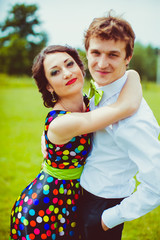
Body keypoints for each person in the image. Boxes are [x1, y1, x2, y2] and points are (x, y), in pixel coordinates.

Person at [10, 45, 141, 240]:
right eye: (55, 72)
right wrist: (132, 73)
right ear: (48, 85)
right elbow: (127, 105)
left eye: (70, 64)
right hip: (44, 207)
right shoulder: (62, 122)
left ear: (80, 67)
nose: (66, 73)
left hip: (72, 198)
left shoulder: (88, 103)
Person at [78, 13, 160, 240]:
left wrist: (107, 219)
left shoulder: (134, 120)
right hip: (79, 194)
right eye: (96, 52)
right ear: (87, 52)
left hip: (102, 207)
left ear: (128, 57)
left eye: (113, 55)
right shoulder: (99, 89)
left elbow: (157, 184)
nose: (102, 64)